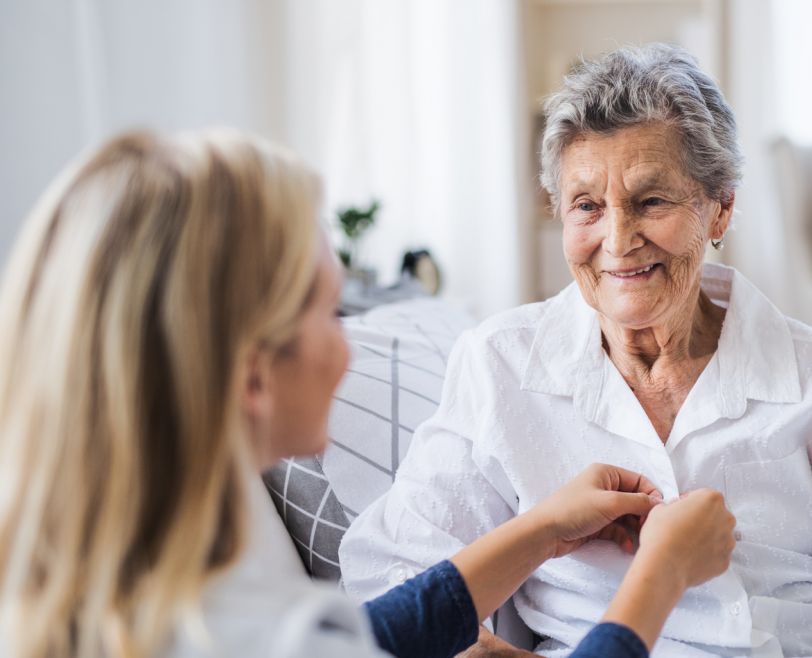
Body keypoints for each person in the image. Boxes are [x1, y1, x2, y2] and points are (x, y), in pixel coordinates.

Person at [339, 44, 812, 658]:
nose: (617, 240)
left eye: (651, 202)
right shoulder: (498, 366)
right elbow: (395, 576)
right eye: (587, 206)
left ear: (720, 208)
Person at [0, 130, 737, 658]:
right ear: (254, 375)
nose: (350, 343)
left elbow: (371, 640)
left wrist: (540, 530)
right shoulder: (255, 634)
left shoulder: (133, 599)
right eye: (329, 312)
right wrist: (660, 574)